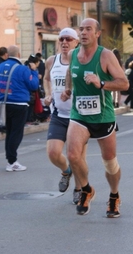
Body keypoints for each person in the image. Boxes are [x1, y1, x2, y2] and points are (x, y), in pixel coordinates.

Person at [61, 18, 129, 217]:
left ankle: (114, 195)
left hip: (103, 116)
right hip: (79, 115)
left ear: (97, 33)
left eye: (88, 29)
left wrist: (101, 84)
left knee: (110, 163)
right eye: (81, 29)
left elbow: (124, 83)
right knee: (73, 155)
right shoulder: (73, 54)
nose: (83, 32)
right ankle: (86, 189)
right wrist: (67, 89)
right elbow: (69, 73)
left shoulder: (105, 56)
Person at [43, 27, 82, 204]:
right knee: (53, 153)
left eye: (68, 39)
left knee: (77, 157)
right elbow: (46, 79)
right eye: (61, 39)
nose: (64, 42)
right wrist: (48, 94)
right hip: (58, 114)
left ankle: (80, 189)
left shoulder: (81, 61)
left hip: (78, 116)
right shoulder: (52, 61)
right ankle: (66, 171)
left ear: (76, 42)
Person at [0, 45, 39, 171]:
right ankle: (12, 161)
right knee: (16, 133)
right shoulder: (23, 69)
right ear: (18, 54)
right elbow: (33, 85)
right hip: (19, 104)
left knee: (9, 132)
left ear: (7, 54)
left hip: (4, 104)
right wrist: (34, 71)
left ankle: (10, 160)